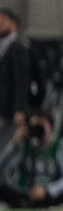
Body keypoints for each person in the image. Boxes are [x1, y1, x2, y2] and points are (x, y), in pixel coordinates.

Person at [0, 107, 63, 208]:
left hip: (50, 196)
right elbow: (2, 169)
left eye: (41, 125)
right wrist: (14, 144)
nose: (37, 129)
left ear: (50, 126)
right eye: (34, 125)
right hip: (25, 193)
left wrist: (47, 190)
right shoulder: (23, 145)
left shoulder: (62, 146)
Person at [0, 8, 30, 144]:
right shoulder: (3, 46)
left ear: (14, 25)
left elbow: (21, 81)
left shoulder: (18, 49)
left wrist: (20, 109)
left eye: (3, 21)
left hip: (7, 109)